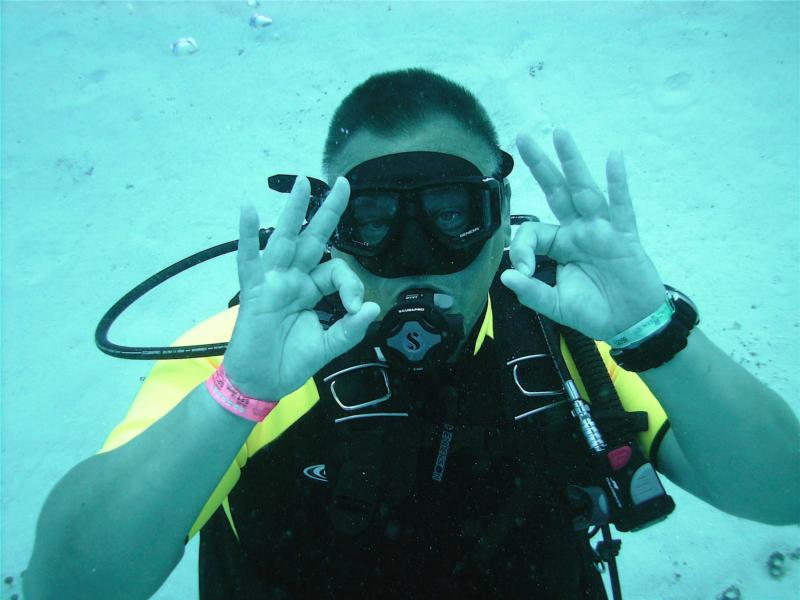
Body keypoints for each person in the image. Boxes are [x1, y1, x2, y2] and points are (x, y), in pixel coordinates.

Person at [24, 68, 799, 600]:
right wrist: (236, 397)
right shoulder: (254, 353)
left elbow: (781, 492)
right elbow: (70, 585)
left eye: (453, 215)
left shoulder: (577, 328)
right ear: (332, 228)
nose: (417, 257)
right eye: (375, 222)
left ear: (500, 222)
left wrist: (652, 330)